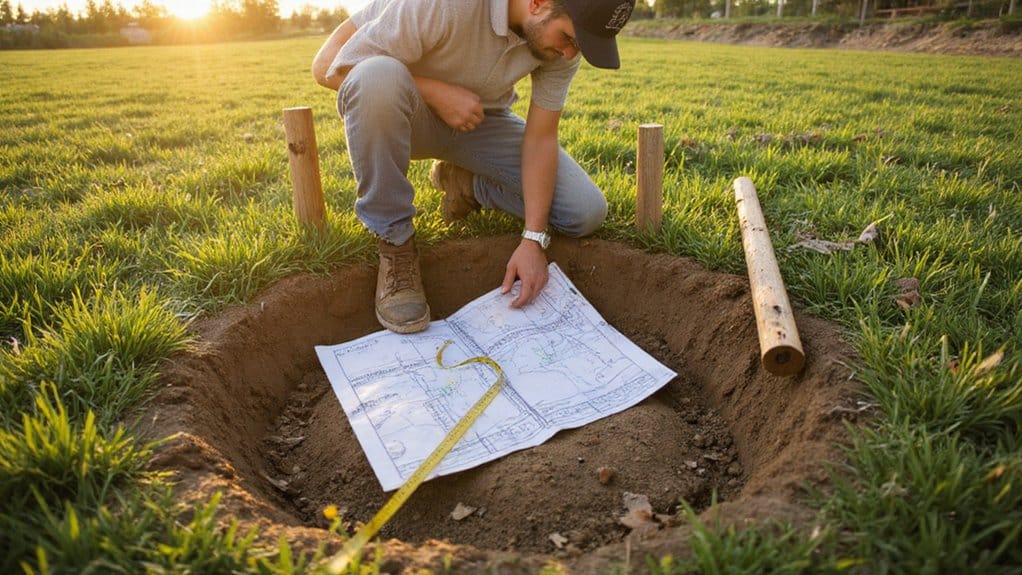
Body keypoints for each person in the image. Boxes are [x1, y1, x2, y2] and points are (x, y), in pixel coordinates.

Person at [312, 0, 636, 334]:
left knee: (584, 210)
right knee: (375, 77)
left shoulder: (561, 48)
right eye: (569, 38)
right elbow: (340, 68)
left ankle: (465, 184)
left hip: (481, 121)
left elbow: (541, 139)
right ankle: (395, 244)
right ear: (539, 3)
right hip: (410, 116)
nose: (571, 54)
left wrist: (534, 238)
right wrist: (435, 92)